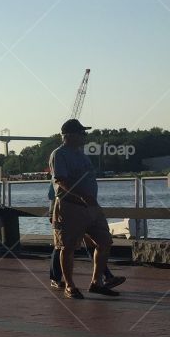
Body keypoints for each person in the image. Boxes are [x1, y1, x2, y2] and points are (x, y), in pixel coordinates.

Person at [49, 119, 118, 300]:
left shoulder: (82, 154)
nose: (84, 136)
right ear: (69, 135)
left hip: (91, 207)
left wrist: (90, 200)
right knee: (67, 247)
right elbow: (61, 180)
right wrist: (82, 195)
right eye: (82, 133)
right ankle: (70, 285)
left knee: (104, 241)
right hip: (70, 207)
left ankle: (97, 282)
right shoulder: (59, 154)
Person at [47, 179, 124, 293]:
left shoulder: (80, 173)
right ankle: (56, 277)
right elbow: (53, 194)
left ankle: (105, 275)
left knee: (91, 242)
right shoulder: (61, 174)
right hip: (66, 208)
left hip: (84, 208)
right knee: (63, 245)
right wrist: (52, 212)